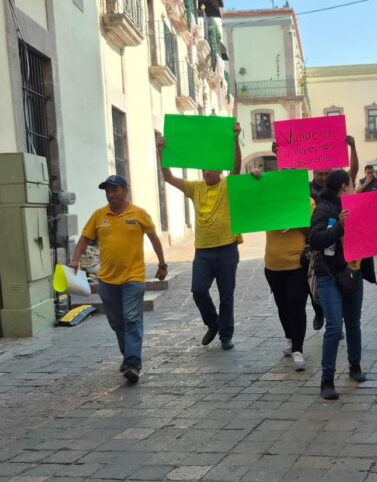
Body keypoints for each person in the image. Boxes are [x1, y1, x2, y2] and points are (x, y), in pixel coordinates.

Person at [70, 175, 167, 384]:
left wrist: (162, 264)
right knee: (117, 322)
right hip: (107, 280)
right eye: (107, 191)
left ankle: (133, 362)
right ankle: (128, 357)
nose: (110, 194)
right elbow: (84, 239)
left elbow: (154, 238)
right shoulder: (99, 215)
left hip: (133, 277)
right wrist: (75, 260)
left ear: (125, 190)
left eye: (114, 190)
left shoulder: (139, 214)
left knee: (132, 318)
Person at [156, 123, 242, 350]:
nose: (205, 172)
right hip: (203, 250)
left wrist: (235, 139)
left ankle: (226, 335)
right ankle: (213, 323)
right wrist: (161, 151)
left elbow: (237, 166)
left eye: (210, 169)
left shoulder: (227, 185)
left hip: (227, 248)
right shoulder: (195, 188)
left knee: (226, 295)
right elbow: (168, 177)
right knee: (198, 290)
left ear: (220, 171)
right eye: (203, 169)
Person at [307, 170, 377, 400]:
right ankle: (327, 380)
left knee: (353, 323)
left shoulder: (359, 205)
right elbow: (315, 239)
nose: (354, 186)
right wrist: (339, 226)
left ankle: (355, 366)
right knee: (335, 326)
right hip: (328, 274)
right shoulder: (324, 208)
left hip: (353, 272)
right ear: (343, 186)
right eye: (351, 183)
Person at [249, 168, 315, 371]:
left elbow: (312, 231)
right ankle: (289, 335)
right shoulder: (269, 199)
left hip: (297, 264)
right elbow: (247, 202)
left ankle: (298, 348)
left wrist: (294, 217)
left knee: (296, 303)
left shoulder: (307, 201)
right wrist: (254, 179)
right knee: (282, 306)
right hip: (273, 264)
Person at [292, 135, 359, 330]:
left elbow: (353, 171)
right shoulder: (305, 189)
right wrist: (278, 154)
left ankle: (332, 317)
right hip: (313, 240)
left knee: (333, 280)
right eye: (319, 173)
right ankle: (321, 311)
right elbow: (286, 188)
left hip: (336, 243)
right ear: (313, 172)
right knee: (314, 281)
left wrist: (352, 147)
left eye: (326, 173)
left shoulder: (339, 186)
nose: (322, 177)